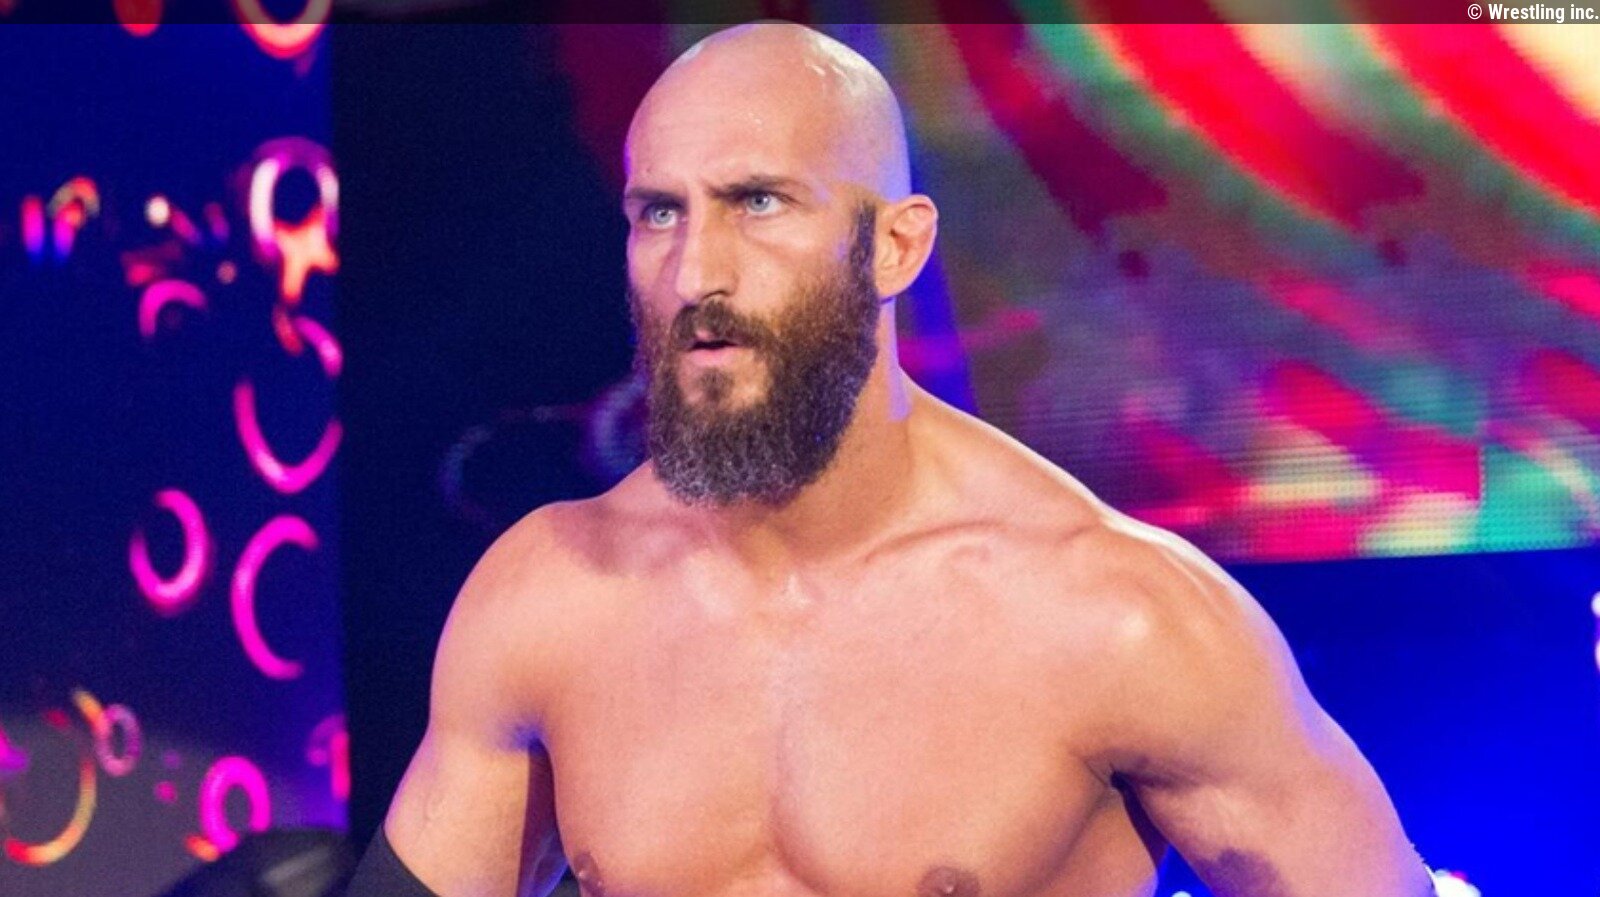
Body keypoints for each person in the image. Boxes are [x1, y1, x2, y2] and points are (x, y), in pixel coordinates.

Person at [347, 22, 1436, 897]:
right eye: (658, 213)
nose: (694, 272)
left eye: (758, 202)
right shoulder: (549, 600)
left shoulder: (1119, 618)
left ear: (898, 245)